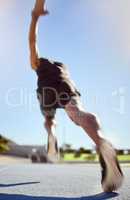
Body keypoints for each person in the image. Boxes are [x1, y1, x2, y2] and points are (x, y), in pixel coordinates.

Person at [29, 0, 123, 192]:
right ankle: (101, 143)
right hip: (66, 84)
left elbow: (32, 41)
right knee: (77, 113)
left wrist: (34, 17)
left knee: (49, 119)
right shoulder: (63, 68)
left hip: (45, 89)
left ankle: (52, 135)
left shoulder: (37, 63)